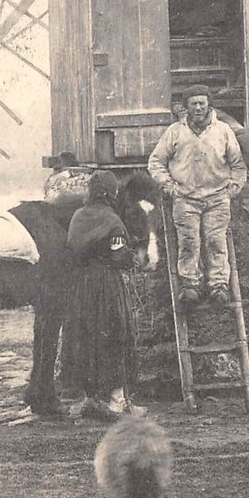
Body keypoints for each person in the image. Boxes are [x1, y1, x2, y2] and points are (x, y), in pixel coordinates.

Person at [148, 84, 247, 308]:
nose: (198, 108)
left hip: (217, 198)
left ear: (208, 105)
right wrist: (168, 185)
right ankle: (191, 285)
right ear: (187, 107)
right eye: (194, 104)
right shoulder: (175, 131)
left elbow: (238, 164)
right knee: (189, 242)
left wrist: (234, 188)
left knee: (215, 241)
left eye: (202, 103)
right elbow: (156, 161)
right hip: (185, 198)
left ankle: (218, 285)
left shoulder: (223, 131)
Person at [60, 170, 146, 420]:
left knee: (84, 336)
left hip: (80, 285)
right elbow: (119, 257)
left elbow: (72, 249)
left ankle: (88, 398)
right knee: (115, 335)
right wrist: (133, 260)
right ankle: (117, 400)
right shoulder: (112, 220)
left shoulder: (77, 216)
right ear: (110, 194)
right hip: (107, 285)